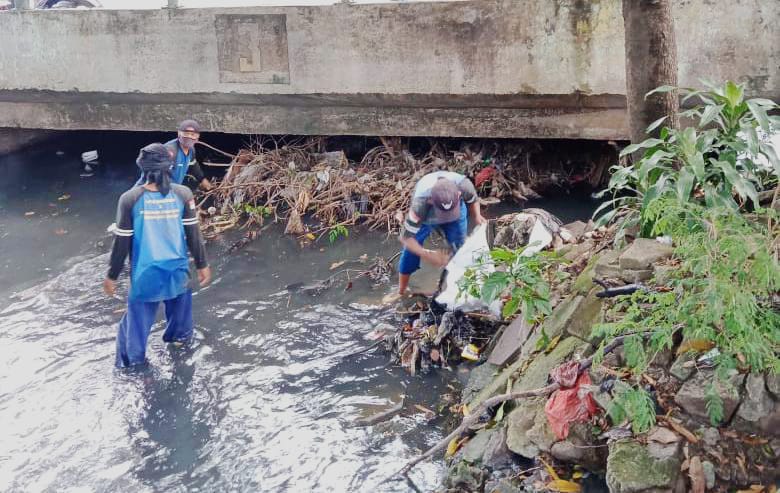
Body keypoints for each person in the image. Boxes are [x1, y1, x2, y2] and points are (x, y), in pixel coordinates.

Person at [105, 143, 212, 368]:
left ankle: (134, 368)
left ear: (142, 168)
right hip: (178, 271)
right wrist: (202, 265)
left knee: (135, 330)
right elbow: (193, 234)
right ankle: (180, 360)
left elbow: (121, 243)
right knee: (181, 332)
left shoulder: (130, 198)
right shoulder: (183, 194)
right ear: (170, 167)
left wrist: (112, 276)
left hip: (146, 274)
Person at [396, 171, 486, 295]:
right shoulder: (420, 204)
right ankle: (401, 290)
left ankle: (457, 287)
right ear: (431, 201)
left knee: (459, 249)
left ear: (459, 194)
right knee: (410, 252)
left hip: (457, 214)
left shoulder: (464, 186)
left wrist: (477, 216)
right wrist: (428, 255)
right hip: (427, 217)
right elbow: (406, 238)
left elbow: (473, 200)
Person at [134, 119, 213, 191]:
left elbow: (193, 165)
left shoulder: (191, 150)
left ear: (198, 137)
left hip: (170, 190)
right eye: (186, 133)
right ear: (179, 134)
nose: (189, 137)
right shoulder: (170, 151)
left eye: (193, 135)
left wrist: (202, 180)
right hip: (152, 192)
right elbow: (156, 175)